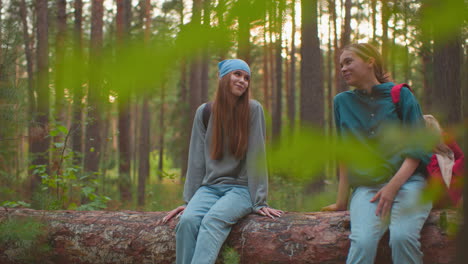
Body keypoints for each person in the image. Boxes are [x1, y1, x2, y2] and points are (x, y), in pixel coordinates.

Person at [162, 59, 283, 264]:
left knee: (212, 221)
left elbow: (257, 156)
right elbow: (196, 159)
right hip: (209, 188)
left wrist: (260, 201)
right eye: (237, 74)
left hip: (241, 189)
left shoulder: (253, 109)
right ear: (223, 77)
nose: (242, 81)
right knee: (188, 221)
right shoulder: (205, 112)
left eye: (246, 78)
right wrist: (189, 202)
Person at [322, 43, 432, 264]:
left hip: (410, 183)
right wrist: (341, 201)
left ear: (370, 61)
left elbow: (418, 148)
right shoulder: (342, 102)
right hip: (367, 187)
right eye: (341, 64)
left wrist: (392, 187)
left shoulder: (400, 95)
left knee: (402, 237)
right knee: (362, 242)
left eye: (349, 61)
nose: (343, 69)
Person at [424, 114, 464, 208]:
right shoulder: (420, 144)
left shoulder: (445, 137)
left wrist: (451, 170)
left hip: (447, 180)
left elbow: (461, 156)